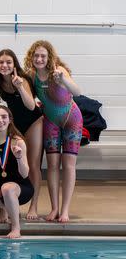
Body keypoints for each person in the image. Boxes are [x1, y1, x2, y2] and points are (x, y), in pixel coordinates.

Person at [26, 40, 82, 223]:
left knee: (68, 165)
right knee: (52, 165)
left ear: (49, 57)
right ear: (31, 57)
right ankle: (54, 208)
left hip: (71, 119)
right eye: (36, 55)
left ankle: (64, 210)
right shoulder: (32, 75)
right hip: (51, 122)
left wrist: (63, 79)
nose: (39, 59)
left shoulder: (58, 71)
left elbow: (78, 92)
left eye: (43, 56)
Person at [0, 49, 43, 220]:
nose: (5, 65)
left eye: (8, 62)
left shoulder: (23, 79)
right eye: (1, 62)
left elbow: (30, 106)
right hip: (15, 124)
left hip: (33, 122)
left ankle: (34, 205)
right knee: (7, 163)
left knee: (33, 164)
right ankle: (4, 207)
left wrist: (19, 86)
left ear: (14, 64)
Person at [0, 105, 33, 238]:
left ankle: (16, 227)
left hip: (21, 188)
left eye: (4, 117)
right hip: (2, 187)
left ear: (10, 119)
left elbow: (25, 173)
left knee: (7, 188)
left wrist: (19, 157)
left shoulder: (17, 141)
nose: (0, 120)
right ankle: (6, 208)